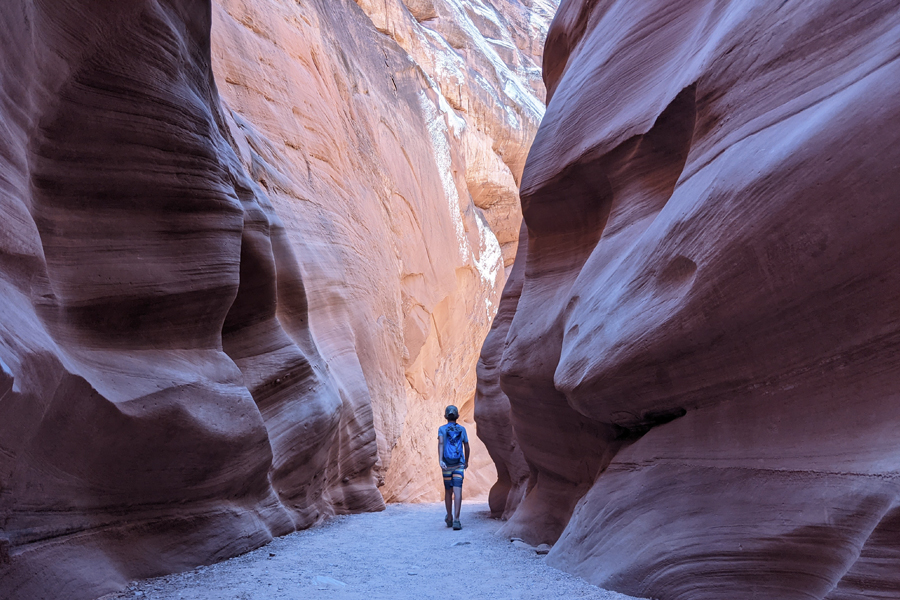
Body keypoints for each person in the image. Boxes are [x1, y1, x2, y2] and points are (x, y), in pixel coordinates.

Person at [438, 405, 470, 530]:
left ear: (445, 416)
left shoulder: (442, 429)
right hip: (459, 464)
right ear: (457, 416)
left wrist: (440, 460)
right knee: (458, 491)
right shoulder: (462, 429)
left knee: (448, 491)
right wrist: (466, 461)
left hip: (446, 464)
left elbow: (441, 443)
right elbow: (466, 445)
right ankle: (457, 520)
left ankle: (449, 517)